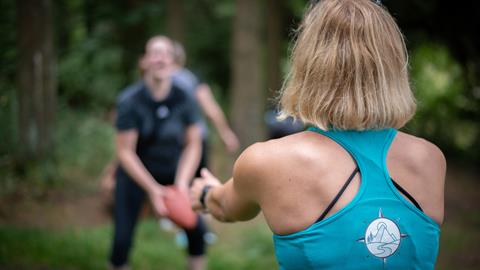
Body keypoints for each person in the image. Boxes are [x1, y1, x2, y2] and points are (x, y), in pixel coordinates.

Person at [190, 0, 446, 269]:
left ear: (308, 65)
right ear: (392, 66)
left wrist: (206, 193)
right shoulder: (430, 159)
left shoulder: (268, 161)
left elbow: (225, 206)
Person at [109, 35, 207, 270]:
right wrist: (153, 190)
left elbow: (194, 143)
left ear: (174, 63)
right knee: (121, 241)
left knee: (198, 231)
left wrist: (182, 183)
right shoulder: (129, 101)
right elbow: (125, 152)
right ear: (145, 61)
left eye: (166, 53)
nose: (160, 58)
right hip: (135, 174)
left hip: (173, 170)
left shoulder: (185, 97)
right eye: (154, 53)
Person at [171, 41, 240, 174]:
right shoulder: (191, 78)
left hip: (164, 144)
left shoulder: (152, 83)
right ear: (182, 58)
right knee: (199, 185)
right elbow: (210, 107)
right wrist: (225, 133)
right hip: (195, 141)